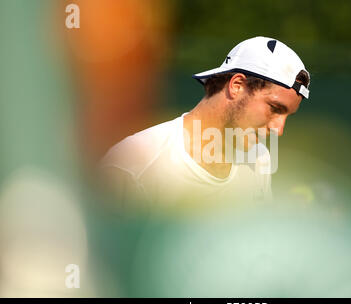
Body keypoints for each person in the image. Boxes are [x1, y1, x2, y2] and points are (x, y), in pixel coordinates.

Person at [100, 36, 310, 211]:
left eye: (287, 115)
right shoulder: (132, 163)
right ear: (237, 85)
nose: (279, 130)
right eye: (275, 108)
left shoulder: (259, 160)